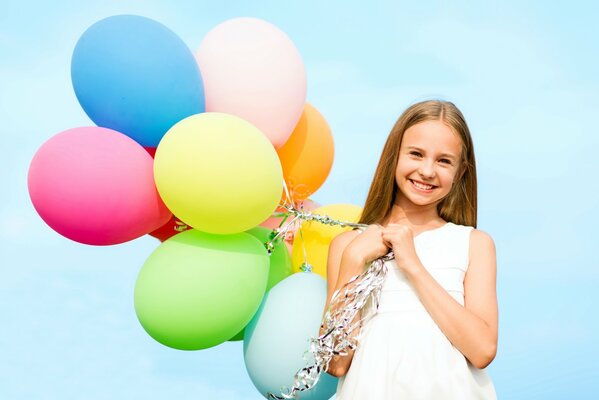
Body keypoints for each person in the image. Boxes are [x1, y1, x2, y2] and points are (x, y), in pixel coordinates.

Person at [323, 100, 498, 399]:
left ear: (460, 171)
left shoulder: (473, 244)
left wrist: (413, 266)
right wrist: (353, 261)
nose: (427, 170)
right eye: (416, 154)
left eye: (444, 161)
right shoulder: (348, 247)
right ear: (394, 156)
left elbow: (482, 350)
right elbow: (335, 363)